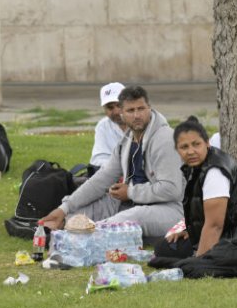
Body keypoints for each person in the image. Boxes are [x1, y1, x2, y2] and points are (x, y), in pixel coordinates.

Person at [40, 86, 184, 239]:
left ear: (149, 108)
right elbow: (101, 179)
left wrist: (129, 192)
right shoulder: (126, 141)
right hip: (132, 203)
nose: (137, 115)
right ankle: (57, 230)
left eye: (141, 109)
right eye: (130, 111)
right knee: (76, 216)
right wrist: (64, 208)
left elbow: (171, 189)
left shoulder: (165, 139)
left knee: (129, 217)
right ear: (121, 114)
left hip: (170, 210)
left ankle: (85, 238)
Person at [156, 116, 237, 259]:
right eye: (184, 147)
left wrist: (199, 262)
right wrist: (192, 232)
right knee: (167, 246)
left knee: (169, 251)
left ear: (207, 143)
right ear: (177, 150)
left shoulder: (215, 172)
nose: (191, 151)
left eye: (196, 144)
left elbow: (215, 225)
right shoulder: (198, 167)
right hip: (236, 232)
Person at [90, 82, 127, 168]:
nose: (116, 112)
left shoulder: (143, 122)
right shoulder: (103, 126)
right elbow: (97, 159)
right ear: (104, 109)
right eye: (110, 107)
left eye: (119, 105)